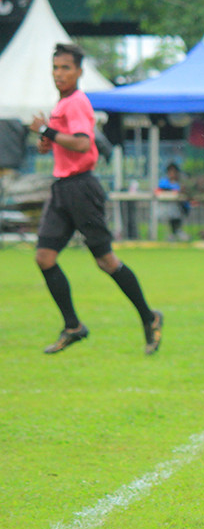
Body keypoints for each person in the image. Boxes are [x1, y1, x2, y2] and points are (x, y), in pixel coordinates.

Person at [28, 43, 163, 355]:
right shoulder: (61, 103)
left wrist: (47, 130)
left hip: (81, 189)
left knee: (106, 261)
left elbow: (82, 144)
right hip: (62, 187)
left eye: (66, 68)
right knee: (44, 257)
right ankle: (73, 326)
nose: (59, 73)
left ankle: (149, 316)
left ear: (78, 72)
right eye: (56, 67)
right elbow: (62, 142)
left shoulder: (76, 102)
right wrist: (46, 141)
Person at [157, 162, 189, 241]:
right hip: (165, 208)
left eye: (174, 172)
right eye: (170, 172)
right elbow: (159, 190)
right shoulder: (164, 182)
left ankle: (177, 232)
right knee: (171, 210)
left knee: (176, 211)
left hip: (181, 208)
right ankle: (174, 233)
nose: (172, 174)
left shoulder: (180, 182)